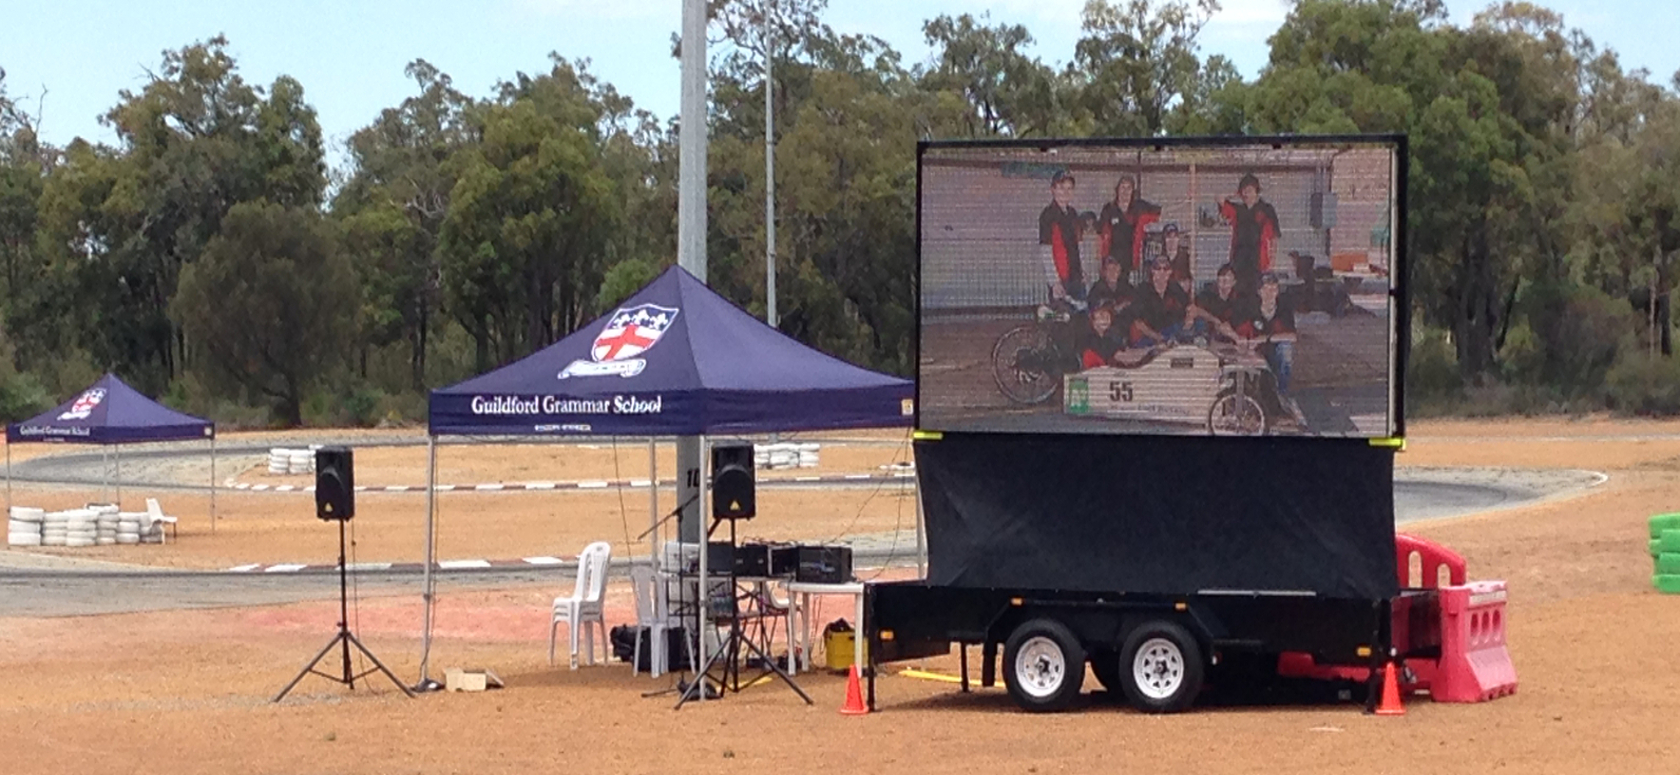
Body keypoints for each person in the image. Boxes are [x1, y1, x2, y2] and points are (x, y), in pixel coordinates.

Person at [1235, 272, 1298, 395]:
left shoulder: (1283, 309)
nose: (1270, 293)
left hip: (1275, 353)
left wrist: (1266, 338)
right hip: (1254, 353)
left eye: (1274, 289)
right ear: (1260, 291)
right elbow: (1241, 332)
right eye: (1266, 289)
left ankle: (1282, 393)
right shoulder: (1251, 308)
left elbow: (1292, 336)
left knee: (1286, 349)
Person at [1219, 173, 1281, 293]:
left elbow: (1274, 237)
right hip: (1239, 262)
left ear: (1256, 191)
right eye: (1243, 190)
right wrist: (1234, 194)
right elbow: (1220, 199)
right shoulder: (1238, 210)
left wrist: (1272, 262)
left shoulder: (1267, 209)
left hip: (1259, 262)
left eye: (1250, 190)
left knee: (1256, 295)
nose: (1246, 194)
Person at [1039, 170, 1089, 303]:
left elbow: (1079, 245)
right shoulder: (1047, 216)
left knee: (1081, 315)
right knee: (1062, 317)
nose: (1065, 192)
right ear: (1053, 190)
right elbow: (1045, 251)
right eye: (1061, 188)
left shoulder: (1073, 214)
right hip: (1061, 280)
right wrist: (1054, 282)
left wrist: (1083, 270)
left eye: (1069, 188)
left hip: (1077, 277)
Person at [1099, 175, 1161, 278]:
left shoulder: (1138, 208)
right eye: (1123, 187)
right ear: (1117, 190)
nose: (1125, 191)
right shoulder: (1109, 210)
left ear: (1133, 191)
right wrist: (1103, 261)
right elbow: (1101, 237)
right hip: (1112, 263)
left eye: (1129, 188)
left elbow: (1158, 214)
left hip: (1131, 262)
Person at [1129, 256, 1195, 348]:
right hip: (1149, 336)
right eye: (1158, 268)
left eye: (1166, 268)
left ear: (1170, 271)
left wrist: (1189, 318)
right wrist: (1159, 338)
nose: (1162, 272)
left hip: (1173, 332)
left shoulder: (1175, 287)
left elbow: (1190, 306)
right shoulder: (1142, 290)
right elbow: (1138, 323)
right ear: (1152, 271)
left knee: (1199, 324)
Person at [1193, 264, 1246, 343]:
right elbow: (1195, 309)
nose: (1224, 279)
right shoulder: (1207, 294)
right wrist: (1215, 320)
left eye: (1228, 276)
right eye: (1222, 276)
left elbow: (1231, 324)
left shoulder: (1238, 300)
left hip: (1229, 340)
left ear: (1234, 282)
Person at [1079, 304, 1131, 370]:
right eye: (1102, 316)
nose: (1106, 319)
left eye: (1108, 317)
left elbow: (1119, 352)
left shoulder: (1109, 339)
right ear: (1093, 322)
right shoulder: (1088, 339)